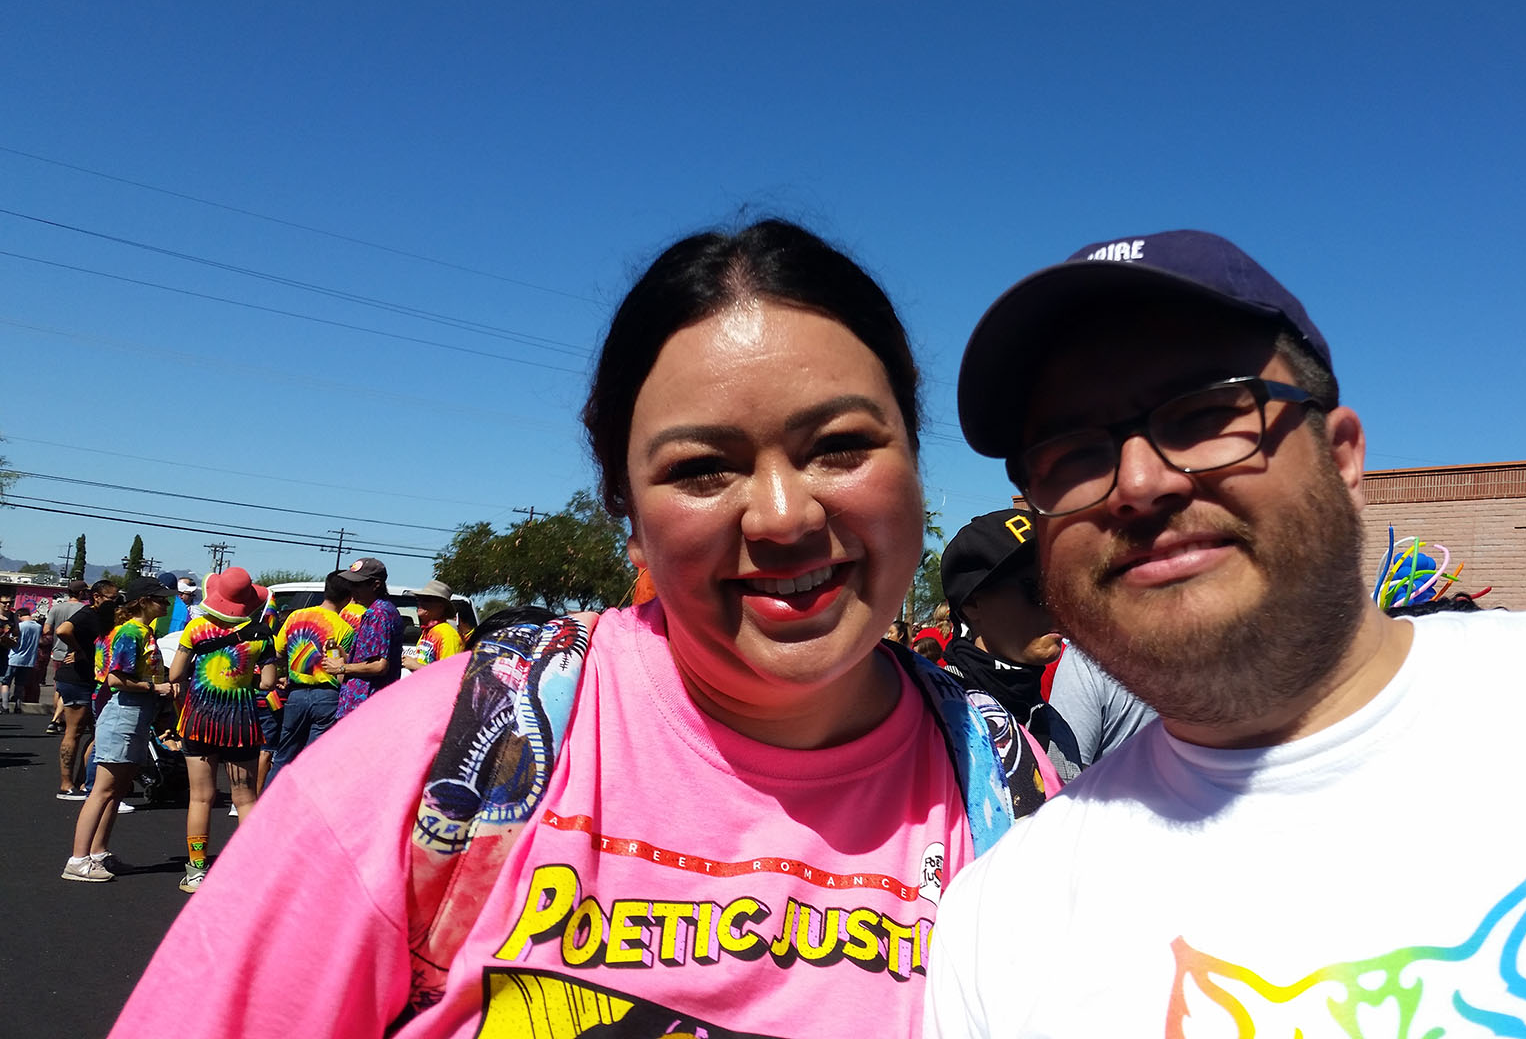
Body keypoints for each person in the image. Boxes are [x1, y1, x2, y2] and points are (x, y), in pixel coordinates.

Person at [925, 229, 1526, 1036]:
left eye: (1205, 413)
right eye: (1073, 452)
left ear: (1346, 457)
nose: (1141, 482)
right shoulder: (1003, 920)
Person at [115, 218, 1058, 1038]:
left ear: (915, 454)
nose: (783, 515)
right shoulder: (432, 767)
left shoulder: (1014, 799)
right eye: (702, 467)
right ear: (622, 497)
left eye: (843, 446)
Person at [938, 509, 1084, 779]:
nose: (1057, 608)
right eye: (1038, 590)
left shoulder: (1054, 724)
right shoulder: (934, 715)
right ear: (972, 604)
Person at [168, 567, 278, 892]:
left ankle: (196, 870)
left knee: (200, 798)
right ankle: (250, 869)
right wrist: (249, 678)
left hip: (198, 720)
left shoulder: (196, 627)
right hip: (241, 723)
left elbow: (175, 674)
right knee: (245, 798)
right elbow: (269, 682)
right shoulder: (261, 633)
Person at [62, 576, 177, 882]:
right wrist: (156, 687)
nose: (166, 603)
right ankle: (78, 859)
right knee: (102, 790)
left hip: (135, 714)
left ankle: (98, 853)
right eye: (160, 598)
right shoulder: (130, 632)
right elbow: (116, 679)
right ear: (142, 601)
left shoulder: (142, 631)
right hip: (123, 712)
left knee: (115, 790)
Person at [263, 571, 355, 785]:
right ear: (348, 598)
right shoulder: (345, 629)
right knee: (314, 759)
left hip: (295, 695)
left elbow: (277, 653)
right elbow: (341, 669)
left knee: (283, 757)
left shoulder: (295, 616)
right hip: (328, 696)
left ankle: (270, 806)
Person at [52, 579, 119, 799]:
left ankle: (83, 782)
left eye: (117, 598)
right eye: (111, 598)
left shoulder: (104, 616)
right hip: (75, 679)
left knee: (96, 732)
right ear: (97, 597)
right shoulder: (87, 613)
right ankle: (66, 784)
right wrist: (78, 650)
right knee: (75, 730)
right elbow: (63, 630)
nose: (115, 601)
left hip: (91, 679)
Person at [330, 556, 400, 720]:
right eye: (350, 584)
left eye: (357, 584)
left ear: (376, 585)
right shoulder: (383, 610)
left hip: (365, 705)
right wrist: (343, 654)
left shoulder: (378, 614)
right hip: (366, 703)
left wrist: (341, 668)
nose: (352, 589)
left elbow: (380, 666)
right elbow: (369, 660)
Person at [43, 579, 89, 735]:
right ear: (81, 593)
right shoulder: (85, 610)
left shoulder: (56, 608)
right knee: (69, 687)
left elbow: (47, 629)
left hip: (57, 652)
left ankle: (58, 718)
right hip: (75, 654)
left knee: (58, 687)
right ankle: (57, 720)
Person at [403, 579, 464, 672]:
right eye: (419, 599)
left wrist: (415, 665)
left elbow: (449, 673)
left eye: (427, 600)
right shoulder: (427, 632)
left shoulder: (448, 635)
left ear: (441, 607)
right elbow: (425, 662)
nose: (420, 603)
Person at [4, 605, 41, 713]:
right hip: (29, 660)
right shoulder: (38, 627)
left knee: (6, 682)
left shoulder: (20, 626)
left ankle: (5, 706)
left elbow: (12, 640)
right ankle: (18, 705)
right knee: (20, 684)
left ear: (19, 615)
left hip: (15, 658)